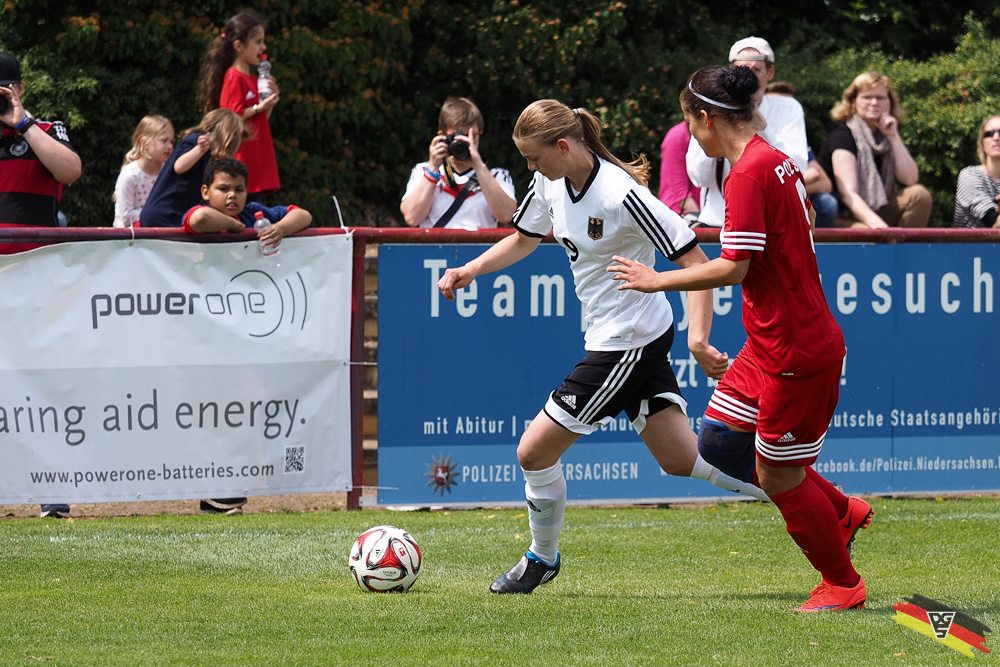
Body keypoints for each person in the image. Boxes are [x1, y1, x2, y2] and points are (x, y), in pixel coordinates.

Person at [437, 99, 769, 595]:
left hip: (628, 342)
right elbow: (524, 238)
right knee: (681, 459)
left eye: (534, 158)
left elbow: (697, 263)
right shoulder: (550, 182)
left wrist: (698, 339)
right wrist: (470, 269)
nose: (530, 168)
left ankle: (540, 559)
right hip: (622, 335)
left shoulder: (621, 194)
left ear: (563, 146)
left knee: (532, 451)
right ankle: (818, 501)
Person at [608, 66, 872, 612]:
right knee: (721, 443)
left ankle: (842, 583)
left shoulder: (749, 173)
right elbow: (789, 235)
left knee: (777, 474)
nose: (690, 135)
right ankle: (841, 511)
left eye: (688, 123)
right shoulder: (774, 160)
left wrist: (656, 279)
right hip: (769, 341)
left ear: (706, 118)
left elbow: (734, 266)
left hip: (795, 348)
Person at [0, 51, 82, 519]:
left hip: (34, 276)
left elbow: (70, 170)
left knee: (40, 385)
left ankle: (52, 492)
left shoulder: (46, 129)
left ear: (20, 88)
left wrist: (22, 122)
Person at [685, 37, 808, 227]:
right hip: (717, 223)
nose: (749, 78)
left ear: (770, 72)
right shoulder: (710, 110)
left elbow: (796, 171)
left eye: (757, 70)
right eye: (742, 69)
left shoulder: (788, 108)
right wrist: (716, 123)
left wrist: (762, 127)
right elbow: (698, 177)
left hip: (770, 224)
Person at [816, 71, 931, 228]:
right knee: (868, 235)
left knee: (919, 195)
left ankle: (903, 244)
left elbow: (910, 179)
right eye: (867, 97)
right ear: (854, 101)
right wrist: (882, 230)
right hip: (843, 216)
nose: (874, 102)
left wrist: (893, 136)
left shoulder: (885, 137)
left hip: (878, 210)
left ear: (889, 102)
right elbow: (848, 194)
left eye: (880, 97)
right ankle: (889, 240)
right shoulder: (843, 136)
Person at [197, 11, 280, 203]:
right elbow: (231, 116)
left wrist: (270, 103)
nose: (263, 47)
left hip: (257, 159)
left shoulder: (252, 78)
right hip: (242, 160)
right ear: (239, 46)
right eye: (258, 42)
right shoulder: (234, 76)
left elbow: (258, 122)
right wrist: (260, 107)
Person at [400, 97, 516, 230]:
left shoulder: (497, 175)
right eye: (458, 137)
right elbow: (412, 218)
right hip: (437, 244)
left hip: (480, 244)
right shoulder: (423, 170)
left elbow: (506, 215)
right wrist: (433, 168)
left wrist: (479, 166)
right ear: (442, 135)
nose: (465, 143)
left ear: (480, 134)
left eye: (471, 136)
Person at [139, 109, 243, 228]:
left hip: (174, 214)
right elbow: (179, 166)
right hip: (165, 214)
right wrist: (199, 150)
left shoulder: (209, 155)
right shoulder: (195, 141)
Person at [184, 156, 311, 243]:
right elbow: (200, 218)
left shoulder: (252, 212)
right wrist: (235, 225)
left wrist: (280, 229)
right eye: (223, 189)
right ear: (205, 192)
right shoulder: (200, 211)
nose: (232, 195)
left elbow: (304, 215)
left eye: (239, 190)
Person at [765, 81, 837, 227]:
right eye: (778, 107)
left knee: (827, 203)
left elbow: (824, 183)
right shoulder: (758, 136)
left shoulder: (798, 143)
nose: (784, 113)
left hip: (796, 203)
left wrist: (786, 185)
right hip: (766, 203)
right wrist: (799, 180)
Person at [113, 115, 175, 228]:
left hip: (159, 231)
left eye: (171, 141)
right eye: (164, 141)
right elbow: (125, 217)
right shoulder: (130, 175)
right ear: (145, 143)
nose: (170, 146)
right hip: (130, 235)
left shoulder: (168, 172)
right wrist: (155, 213)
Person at [953, 115, 1000, 228]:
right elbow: (994, 223)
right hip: (972, 240)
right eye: (989, 133)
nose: (996, 137)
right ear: (982, 143)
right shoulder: (970, 176)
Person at [658, 120, 700, 223]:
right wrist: (700, 222)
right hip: (678, 216)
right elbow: (680, 192)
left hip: (702, 215)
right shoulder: (676, 137)